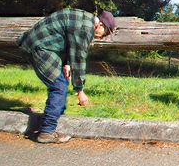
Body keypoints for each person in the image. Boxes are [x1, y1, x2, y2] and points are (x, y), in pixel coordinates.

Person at [17, 8, 117, 144]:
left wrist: (66, 64)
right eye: (104, 33)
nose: (101, 37)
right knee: (59, 86)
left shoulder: (84, 18)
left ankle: (54, 122)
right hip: (40, 47)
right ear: (100, 25)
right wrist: (80, 91)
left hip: (41, 44)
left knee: (61, 82)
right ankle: (46, 132)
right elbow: (79, 59)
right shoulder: (86, 28)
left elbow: (67, 39)